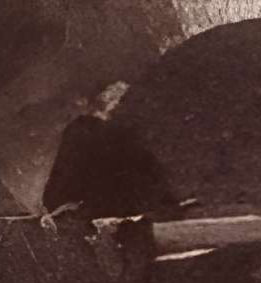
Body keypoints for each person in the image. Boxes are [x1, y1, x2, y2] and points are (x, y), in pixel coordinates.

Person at [42, 83, 181, 221]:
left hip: (112, 212)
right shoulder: (88, 130)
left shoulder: (118, 133)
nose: (119, 105)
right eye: (117, 100)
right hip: (109, 212)